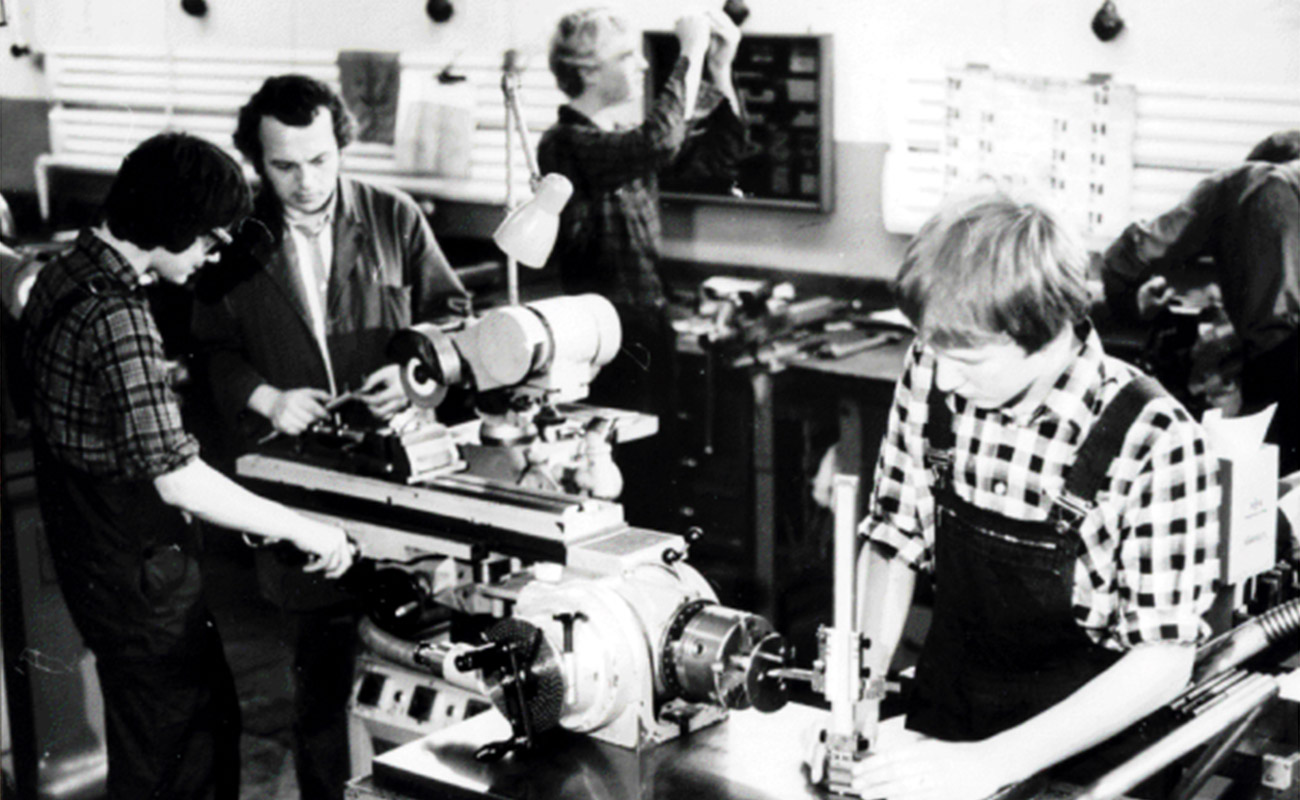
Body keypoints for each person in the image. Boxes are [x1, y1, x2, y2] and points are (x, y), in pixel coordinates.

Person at [841, 193, 1219, 800]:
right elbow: (893, 535)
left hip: (1090, 760)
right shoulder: (937, 364)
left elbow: (1163, 659)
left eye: (968, 360)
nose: (943, 378)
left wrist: (992, 764)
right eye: (932, 350)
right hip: (949, 723)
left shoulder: (1156, 439)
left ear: (1046, 335)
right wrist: (857, 701)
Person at [19, 132, 355, 800]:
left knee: (155, 749)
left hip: (95, 560)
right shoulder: (118, 317)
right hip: (141, 580)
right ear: (171, 225)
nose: (212, 254)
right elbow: (176, 478)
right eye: (207, 238)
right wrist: (305, 529)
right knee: (186, 760)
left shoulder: (63, 273)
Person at [189, 73, 469, 800]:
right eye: (284, 166)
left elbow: (453, 318)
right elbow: (210, 349)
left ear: (341, 145)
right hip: (303, 492)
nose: (306, 181)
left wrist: (415, 373)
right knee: (320, 689)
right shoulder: (234, 240)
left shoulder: (394, 217)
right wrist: (266, 396)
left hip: (401, 484)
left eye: (319, 160)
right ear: (257, 161)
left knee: (423, 682)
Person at [538, 6, 744, 528]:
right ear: (587, 71)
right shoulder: (566, 144)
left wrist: (719, 69)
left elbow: (719, 156)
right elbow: (659, 140)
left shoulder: (623, 141)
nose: (643, 65)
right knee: (630, 486)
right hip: (607, 342)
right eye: (626, 56)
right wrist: (690, 51)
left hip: (649, 330)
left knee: (660, 475)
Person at [1101, 130, 1300, 475]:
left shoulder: (1250, 180)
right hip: (1281, 357)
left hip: (1278, 361)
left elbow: (1134, 251)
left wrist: (1125, 304)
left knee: (1259, 476)